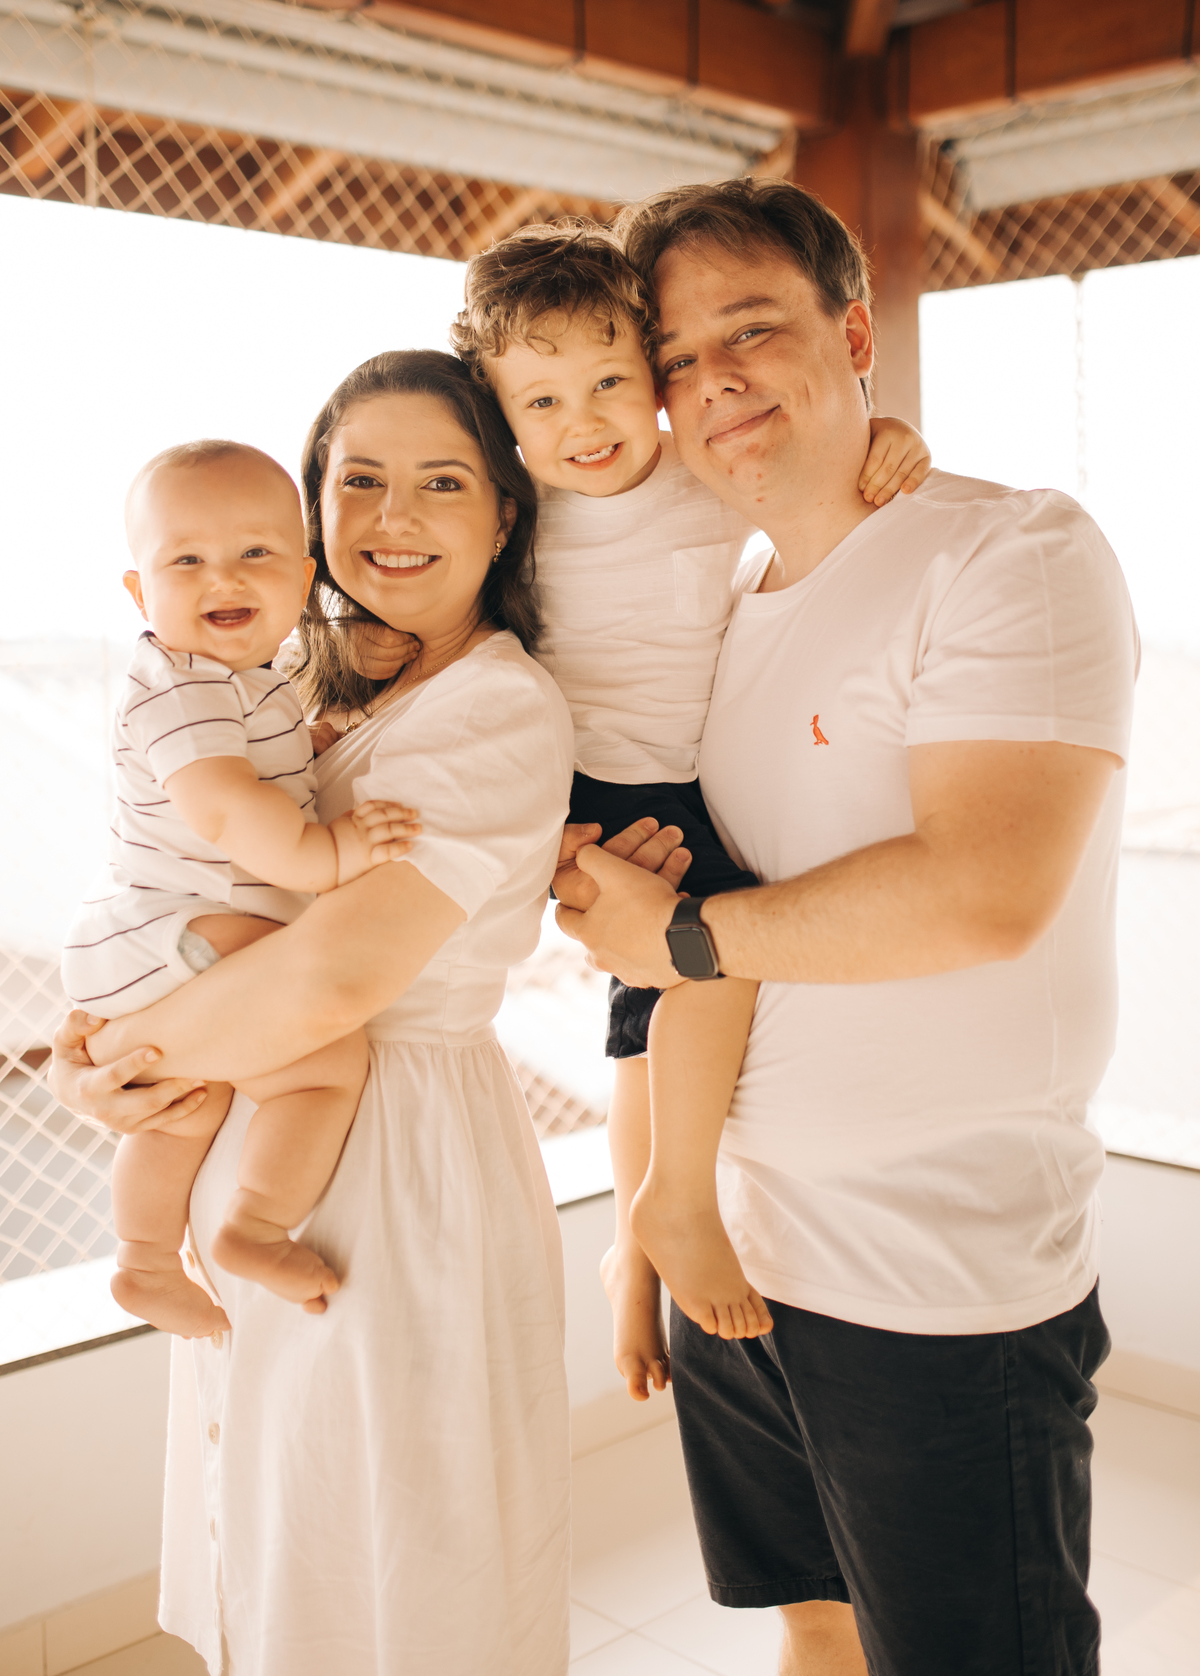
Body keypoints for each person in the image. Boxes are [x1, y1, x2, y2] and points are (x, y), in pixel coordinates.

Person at [554, 179, 1138, 1676]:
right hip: (736, 1251)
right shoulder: (716, 598)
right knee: (811, 1626)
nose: (714, 379)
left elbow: (985, 890)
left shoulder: (1007, 551)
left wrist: (685, 937)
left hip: (933, 1282)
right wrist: (647, 1223)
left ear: (857, 333)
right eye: (675, 359)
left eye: (753, 329)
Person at [48, 349, 592, 1676]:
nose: (393, 516)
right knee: (292, 1550)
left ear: (505, 513)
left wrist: (114, 1053)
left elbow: (331, 983)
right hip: (260, 1120)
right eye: (359, 480)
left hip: (394, 1160)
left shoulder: (494, 707)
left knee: (396, 1570)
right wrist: (95, 1073)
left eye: (442, 481)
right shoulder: (303, 688)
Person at [449, 223, 931, 1394]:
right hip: (590, 794)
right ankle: (674, 1200)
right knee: (711, 961)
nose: (585, 422)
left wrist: (889, 438)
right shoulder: (518, 516)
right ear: (501, 419)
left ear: (653, 379)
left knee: (643, 1027)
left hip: (692, 778)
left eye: (611, 382)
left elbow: (809, 479)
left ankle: (634, 1263)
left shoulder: (700, 480)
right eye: (543, 401)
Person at [61, 442, 418, 1336]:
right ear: (141, 594)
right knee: (324, 1065)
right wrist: (329, 853)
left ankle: (145, 1261)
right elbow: (225, 808)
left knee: (187, 1105)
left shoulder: (239, 681)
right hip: (176, 924)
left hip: (158, 939)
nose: (222, 576)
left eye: (254, 552)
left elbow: (262, 767)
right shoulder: (180, 688)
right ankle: (254, 1225)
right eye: (186, 560)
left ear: (301, 579)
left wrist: (315, 749)